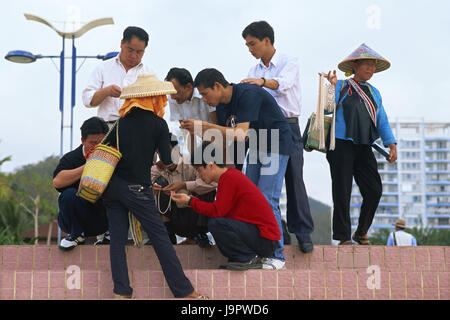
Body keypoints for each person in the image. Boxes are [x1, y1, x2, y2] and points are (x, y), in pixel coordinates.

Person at [100, 73, 205, 299]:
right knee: (160, 238)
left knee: (117, 241)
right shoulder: (158, 124)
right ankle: (184, 292)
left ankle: (122, 292)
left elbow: (108, 152)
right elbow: (167, 161)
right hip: (137, 189)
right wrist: (169, 163)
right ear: (154, 98)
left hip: (113, 188)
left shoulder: (120, 123)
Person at [180, 68, 292, 270]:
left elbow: (239, 134)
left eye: (205, 94)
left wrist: (203, 126)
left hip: (275, 143)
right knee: (249, 199)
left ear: (218, 86)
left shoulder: (247, 93)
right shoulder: (222, 107)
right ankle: (256, 252)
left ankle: (277, 256)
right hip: (256, 146)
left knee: (267, 197)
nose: (204, 100)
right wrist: (197, 133)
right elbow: (225, 140)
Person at [241, 20, 314, 254]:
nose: (250, 49)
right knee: (266, 186)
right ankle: (276, 232)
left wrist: (261, 83)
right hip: (263, 130)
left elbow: (284, 84)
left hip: (288, 126)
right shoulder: (253, 70)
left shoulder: (289, 61)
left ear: (267, 41)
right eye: (247, 46)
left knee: (294, 179)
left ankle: (303, 233)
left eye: (252, 44)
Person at [324, 43, 398, 245]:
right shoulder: (341, 86)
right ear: (354, 66)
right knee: (342, 190)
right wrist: (330, 87)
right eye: (366, 64)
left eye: (373, 65)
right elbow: (325, 109)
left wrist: (391, 144)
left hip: (364, 145)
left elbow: (381, 119)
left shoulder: (374, 93)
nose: (370, 69)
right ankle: (343, 236)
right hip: (340, 144)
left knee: (374, 189)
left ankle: (361, 231)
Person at [171, 141, 280, 270]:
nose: (199, 175)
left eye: (199, 170)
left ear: (211, 165)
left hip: (265, 240)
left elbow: (217, 212)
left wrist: (190, 201)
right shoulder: (229, 177)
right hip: (263, 238)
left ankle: (246, 259)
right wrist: (191, 201)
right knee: (217, 221)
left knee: (216, 223)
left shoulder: (229, 178)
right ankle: (243, 258)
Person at [52, 117, 109, 250]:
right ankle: (76, 235)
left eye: (101, 143)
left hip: (103, 218)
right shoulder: (71, 158)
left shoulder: (113, 156)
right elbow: (57, 182)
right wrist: (87, 166)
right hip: (75, 220)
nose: (97, 147)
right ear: (82, 141)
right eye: (92, 143)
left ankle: (110, 234)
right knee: (68, 195)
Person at [151, 133, 217, 247]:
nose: (164, 155)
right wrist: (151, 189)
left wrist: (184, 185)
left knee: (206, 185)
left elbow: (212, 183)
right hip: (174, 218)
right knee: (159, 184)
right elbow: (141, 186)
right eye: (160, 152)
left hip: (194, 215)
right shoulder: (157, 169)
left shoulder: (192, 163)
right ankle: (167, 236)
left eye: (167, 151)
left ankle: (199, 235)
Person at [82, 26, 153, 125]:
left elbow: (156, 106)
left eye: (139, 52)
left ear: (144, 51)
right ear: (122, 43)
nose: (133, 56)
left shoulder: (149, 74)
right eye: (130, 50)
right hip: (108, 127)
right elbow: (87, 100)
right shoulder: (103, 68)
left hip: (137, 128)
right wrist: (106, 91)